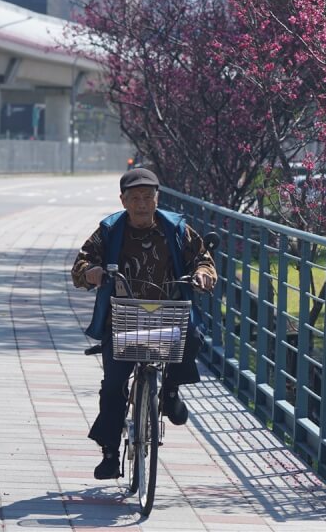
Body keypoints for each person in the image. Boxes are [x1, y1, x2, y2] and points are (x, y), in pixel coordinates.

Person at [71, 168, 217, 479]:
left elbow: (203, 258)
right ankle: (110, 453)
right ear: (123, 200)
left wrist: (204, 274)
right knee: (112, 385)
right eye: (134, 198)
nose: (141, 204)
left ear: (157, 199)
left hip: (168, 313)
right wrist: (92, 272)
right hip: (122, 316)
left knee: (192, 336)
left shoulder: (176, 229)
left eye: (147, 197)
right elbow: (81, 264)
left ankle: (171, 391)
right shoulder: (110, 231)